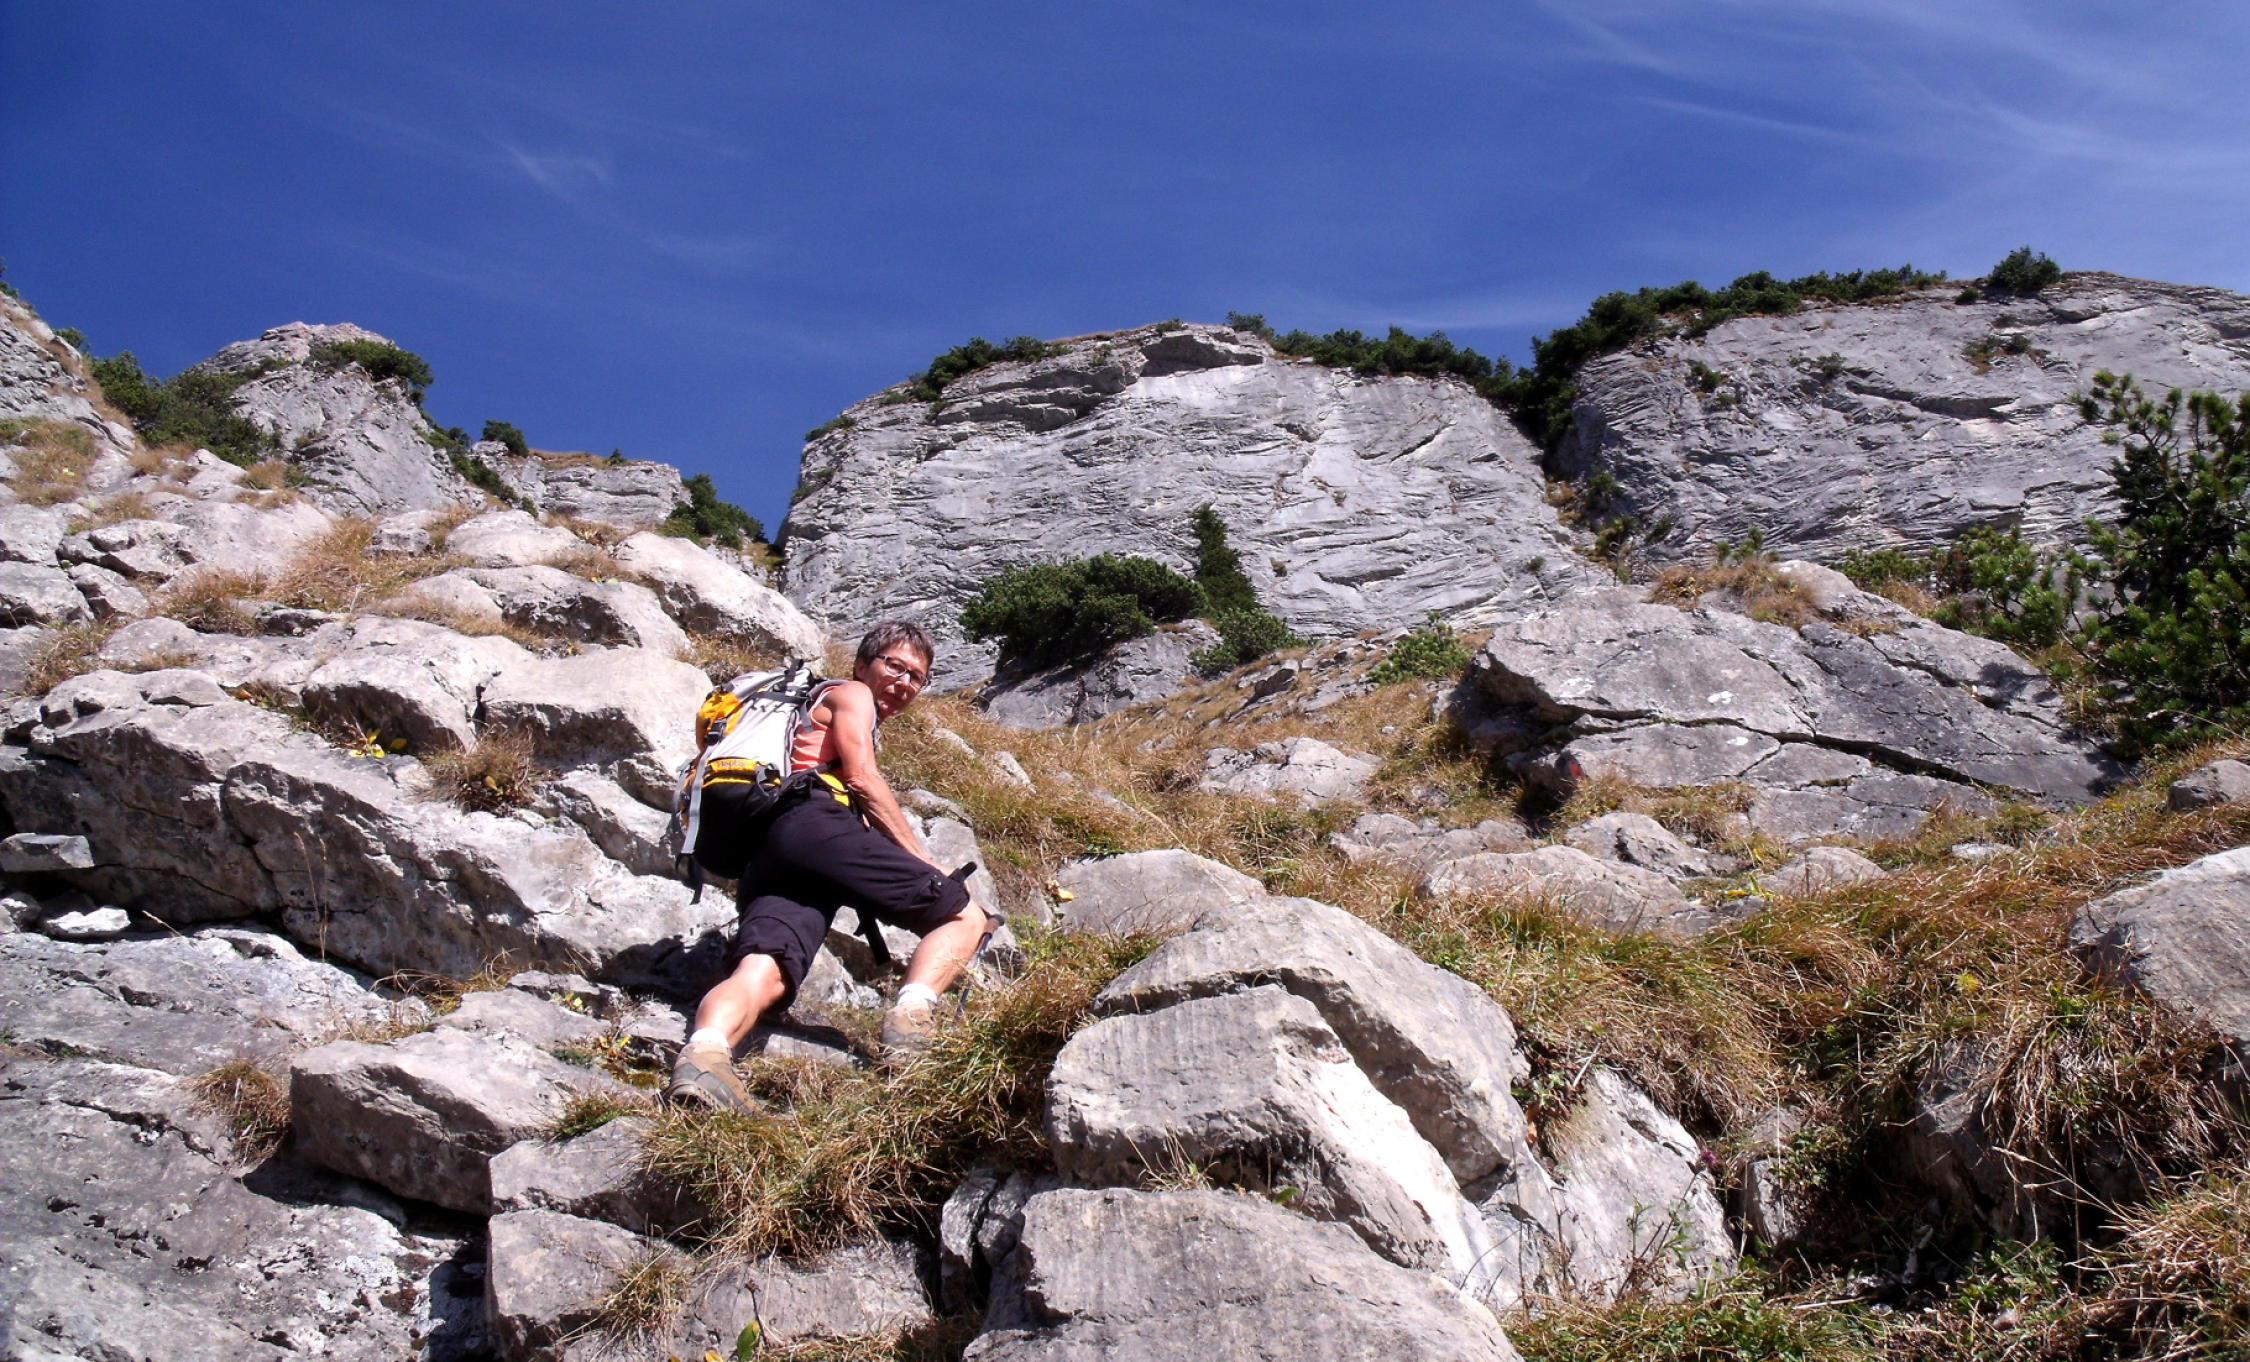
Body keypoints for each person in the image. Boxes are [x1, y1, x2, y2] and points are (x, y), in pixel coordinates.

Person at [667, 620, 990, 1112]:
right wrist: (922, 860)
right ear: (861, 664)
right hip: (810, 822)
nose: (904, 682)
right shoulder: (852, 693)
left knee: (767, 969)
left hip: (766, 852)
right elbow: (861, 778)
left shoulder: (809, 711)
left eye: (917, 677)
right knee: (963, 915)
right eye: (895, 666)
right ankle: (912, 1033)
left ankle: (704, 1057)